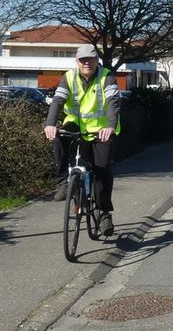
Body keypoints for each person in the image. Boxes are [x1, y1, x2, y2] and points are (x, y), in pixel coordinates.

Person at [44, 44, 121, 237]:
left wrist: (110, 126)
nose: (87, 63)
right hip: (76, 125)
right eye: (83, 60)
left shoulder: (107, 76)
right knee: (59, 135)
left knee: (101, 169)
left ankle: (104, 213)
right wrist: (50, 124)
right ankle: (63, 181)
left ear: (97, 60)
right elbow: (57, 101)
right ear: (77, 62)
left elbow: (113, 103)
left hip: (101, 130)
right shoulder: (68, 77)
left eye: (91, 59)